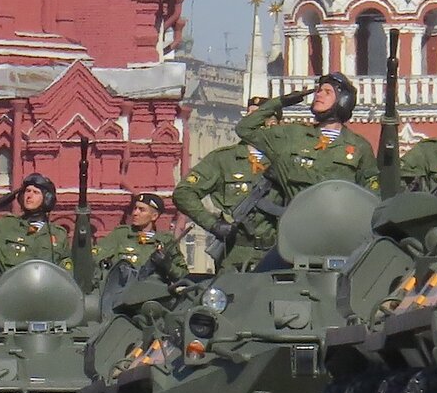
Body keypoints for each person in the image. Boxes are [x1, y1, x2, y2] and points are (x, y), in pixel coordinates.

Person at [173, 96, 283, 271]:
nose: (249, 120)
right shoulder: (223, 159)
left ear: (273, 123)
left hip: (277, 254)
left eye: (257, 115)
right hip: (235, 255)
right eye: (248, 114)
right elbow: (184, 192)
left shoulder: (285, 162)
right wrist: (213, 224)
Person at [235, 74, 379, 205]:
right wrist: (281, 102)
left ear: (343, 101)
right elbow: (245, 129)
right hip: (298, 225)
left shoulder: (359, 147)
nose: (319, 95)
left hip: (338, 227)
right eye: (319, 91)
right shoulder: (292, 135)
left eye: (327, 92)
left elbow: (372, 193)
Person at [0, 174, 71, 272]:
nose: (29, 196)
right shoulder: (6, 225)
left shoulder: (58, 235)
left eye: (36, 192)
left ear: (47, 199)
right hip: (10, 293)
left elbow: (66, 274)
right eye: (27, 191)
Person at [94, 193, 187, 282]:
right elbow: (96, 257)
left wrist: (167, 265)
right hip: (121, 292)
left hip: (154, 295)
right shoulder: (121, 234)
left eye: (141, 210)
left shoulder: (166, 240)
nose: (135, 213)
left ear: (154, 216)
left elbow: (183, 274)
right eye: (135, 208)